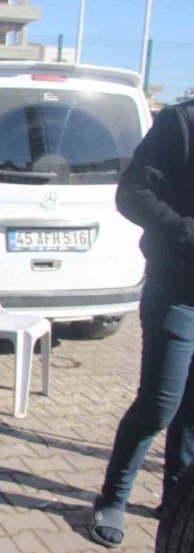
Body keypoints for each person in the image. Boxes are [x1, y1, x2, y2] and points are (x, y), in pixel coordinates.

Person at [90, 100, 194, 548]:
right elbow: (131, 193)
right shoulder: (181, 122)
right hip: (176, 291)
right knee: (158, 407)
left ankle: (176, 503)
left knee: (192, 417)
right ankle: (113, 496)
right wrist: (187, 230)